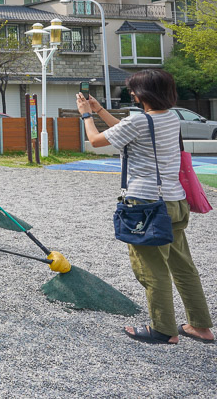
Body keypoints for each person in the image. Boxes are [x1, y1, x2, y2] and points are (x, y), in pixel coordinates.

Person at [79, 68, 213, 345]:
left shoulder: (140, 122)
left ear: (142, 94)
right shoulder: (170, 118)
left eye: (133, 90)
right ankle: (200, 326)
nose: (130, 93)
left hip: (145, 204)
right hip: (174, 201)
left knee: (151, 269)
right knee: (183, 266)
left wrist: (86, 115)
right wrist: (101, 109)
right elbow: (125, 129)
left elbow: (95, 140)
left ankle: (163, 329)